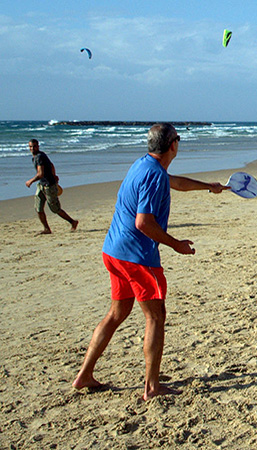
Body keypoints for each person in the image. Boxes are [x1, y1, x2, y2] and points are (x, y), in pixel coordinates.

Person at [72, 123, 229, 401]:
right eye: (178, 140)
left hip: (113, 252)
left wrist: (209, 187)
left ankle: (84, 375)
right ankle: (151, 387)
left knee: (117, 314)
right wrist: (175, 244)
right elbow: (143, 222)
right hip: (137, 258)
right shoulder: (155, 175)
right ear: (173, 145)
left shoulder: (144, 165)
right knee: (156, 316)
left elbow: (174, 182)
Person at [25, 139, 78, 235]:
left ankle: (72, 222)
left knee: (55, 209)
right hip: (41, 185)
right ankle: (46, 229)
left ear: (38, 146)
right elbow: (51, 165)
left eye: (34, 146)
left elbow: (40, 174)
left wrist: (30, 181)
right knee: (38, 208)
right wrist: (54, 175)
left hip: (49, 186)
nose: (32, 148)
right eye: (30, 147)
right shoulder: (36, 157)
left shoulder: (40, 156)